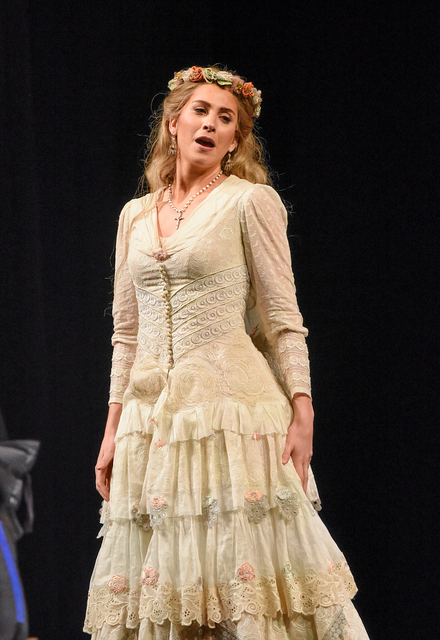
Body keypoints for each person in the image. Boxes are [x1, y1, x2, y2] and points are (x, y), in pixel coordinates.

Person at [84, 65, 369, 640]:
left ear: (236, 139)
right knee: (168, 595)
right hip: (149, 425)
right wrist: (112, 429)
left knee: (245, 589)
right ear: (173, 122)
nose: (211, 124)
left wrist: (303, 410)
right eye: (200, 111)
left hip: (232, 420)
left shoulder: (250, 202)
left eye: (226, 118)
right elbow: (126, 334)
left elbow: (283, 318)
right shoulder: (133, 217)